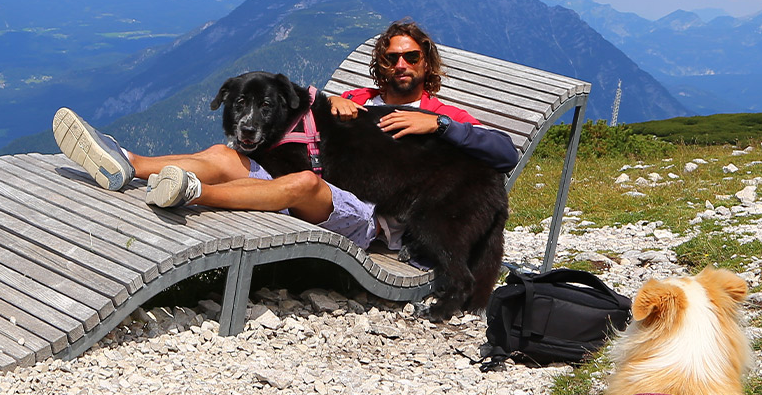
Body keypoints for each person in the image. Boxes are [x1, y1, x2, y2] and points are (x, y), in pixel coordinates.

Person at [52, 19, 516, 253]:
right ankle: (127, 163)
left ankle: (194, 193)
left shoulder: (443, 114)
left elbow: (504, 152)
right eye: (392, 58)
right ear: (381, 64)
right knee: (221, 150)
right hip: (298, 176)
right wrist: (332, 102)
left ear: (425, 64)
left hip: (368, 216)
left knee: (306, 185)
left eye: (411, 57)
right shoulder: (357, 97)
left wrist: (439, 126)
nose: (401, 65)